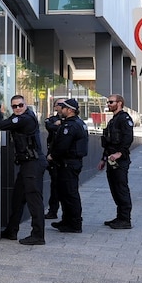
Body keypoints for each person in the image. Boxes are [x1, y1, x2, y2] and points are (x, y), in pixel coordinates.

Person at [0, 95, 47, 245]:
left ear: (25, 104)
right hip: (26, 164)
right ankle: (11, 230)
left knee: (34, 200)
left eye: (20, 105)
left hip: (33, 164)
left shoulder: (26, 118)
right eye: (14, 106)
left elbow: (4, 124)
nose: (18, 108)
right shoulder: (18, 118)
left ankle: (38, 235)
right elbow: (5, 121)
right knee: (17, 198)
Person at [48, 98, 88, 233]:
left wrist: (52, 156)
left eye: (63, 108)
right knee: (65, 193)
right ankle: (67, 221)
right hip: (70, 163)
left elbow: (62, 146)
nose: (61, 110)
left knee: (70, 194)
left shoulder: (70, 125)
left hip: (68, 163)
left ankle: (74, 223)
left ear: (70, 110)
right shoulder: (78, 123)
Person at [98, 94, 133, 229]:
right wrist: (103, 159)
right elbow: (108, 143)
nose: (108, 104)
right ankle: (120, 217)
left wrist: (120, 153)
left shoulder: (124, 119)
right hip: (111, 160)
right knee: (115, 189)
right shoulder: (113, 120)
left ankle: (125, 220)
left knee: (121, 189)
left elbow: (128, 138)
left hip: (120, 161)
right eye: (108, 102)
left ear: (119, 103)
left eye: (111, 102)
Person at [43, 99, 65, 219]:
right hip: (54, 158)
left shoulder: (69, 120)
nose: (62, 107)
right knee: (55, 185)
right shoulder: (51, 119)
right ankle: (53, 211)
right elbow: (50, 127)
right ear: (55, 107)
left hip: (66, 159)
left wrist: (60, 124)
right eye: (60, 105)